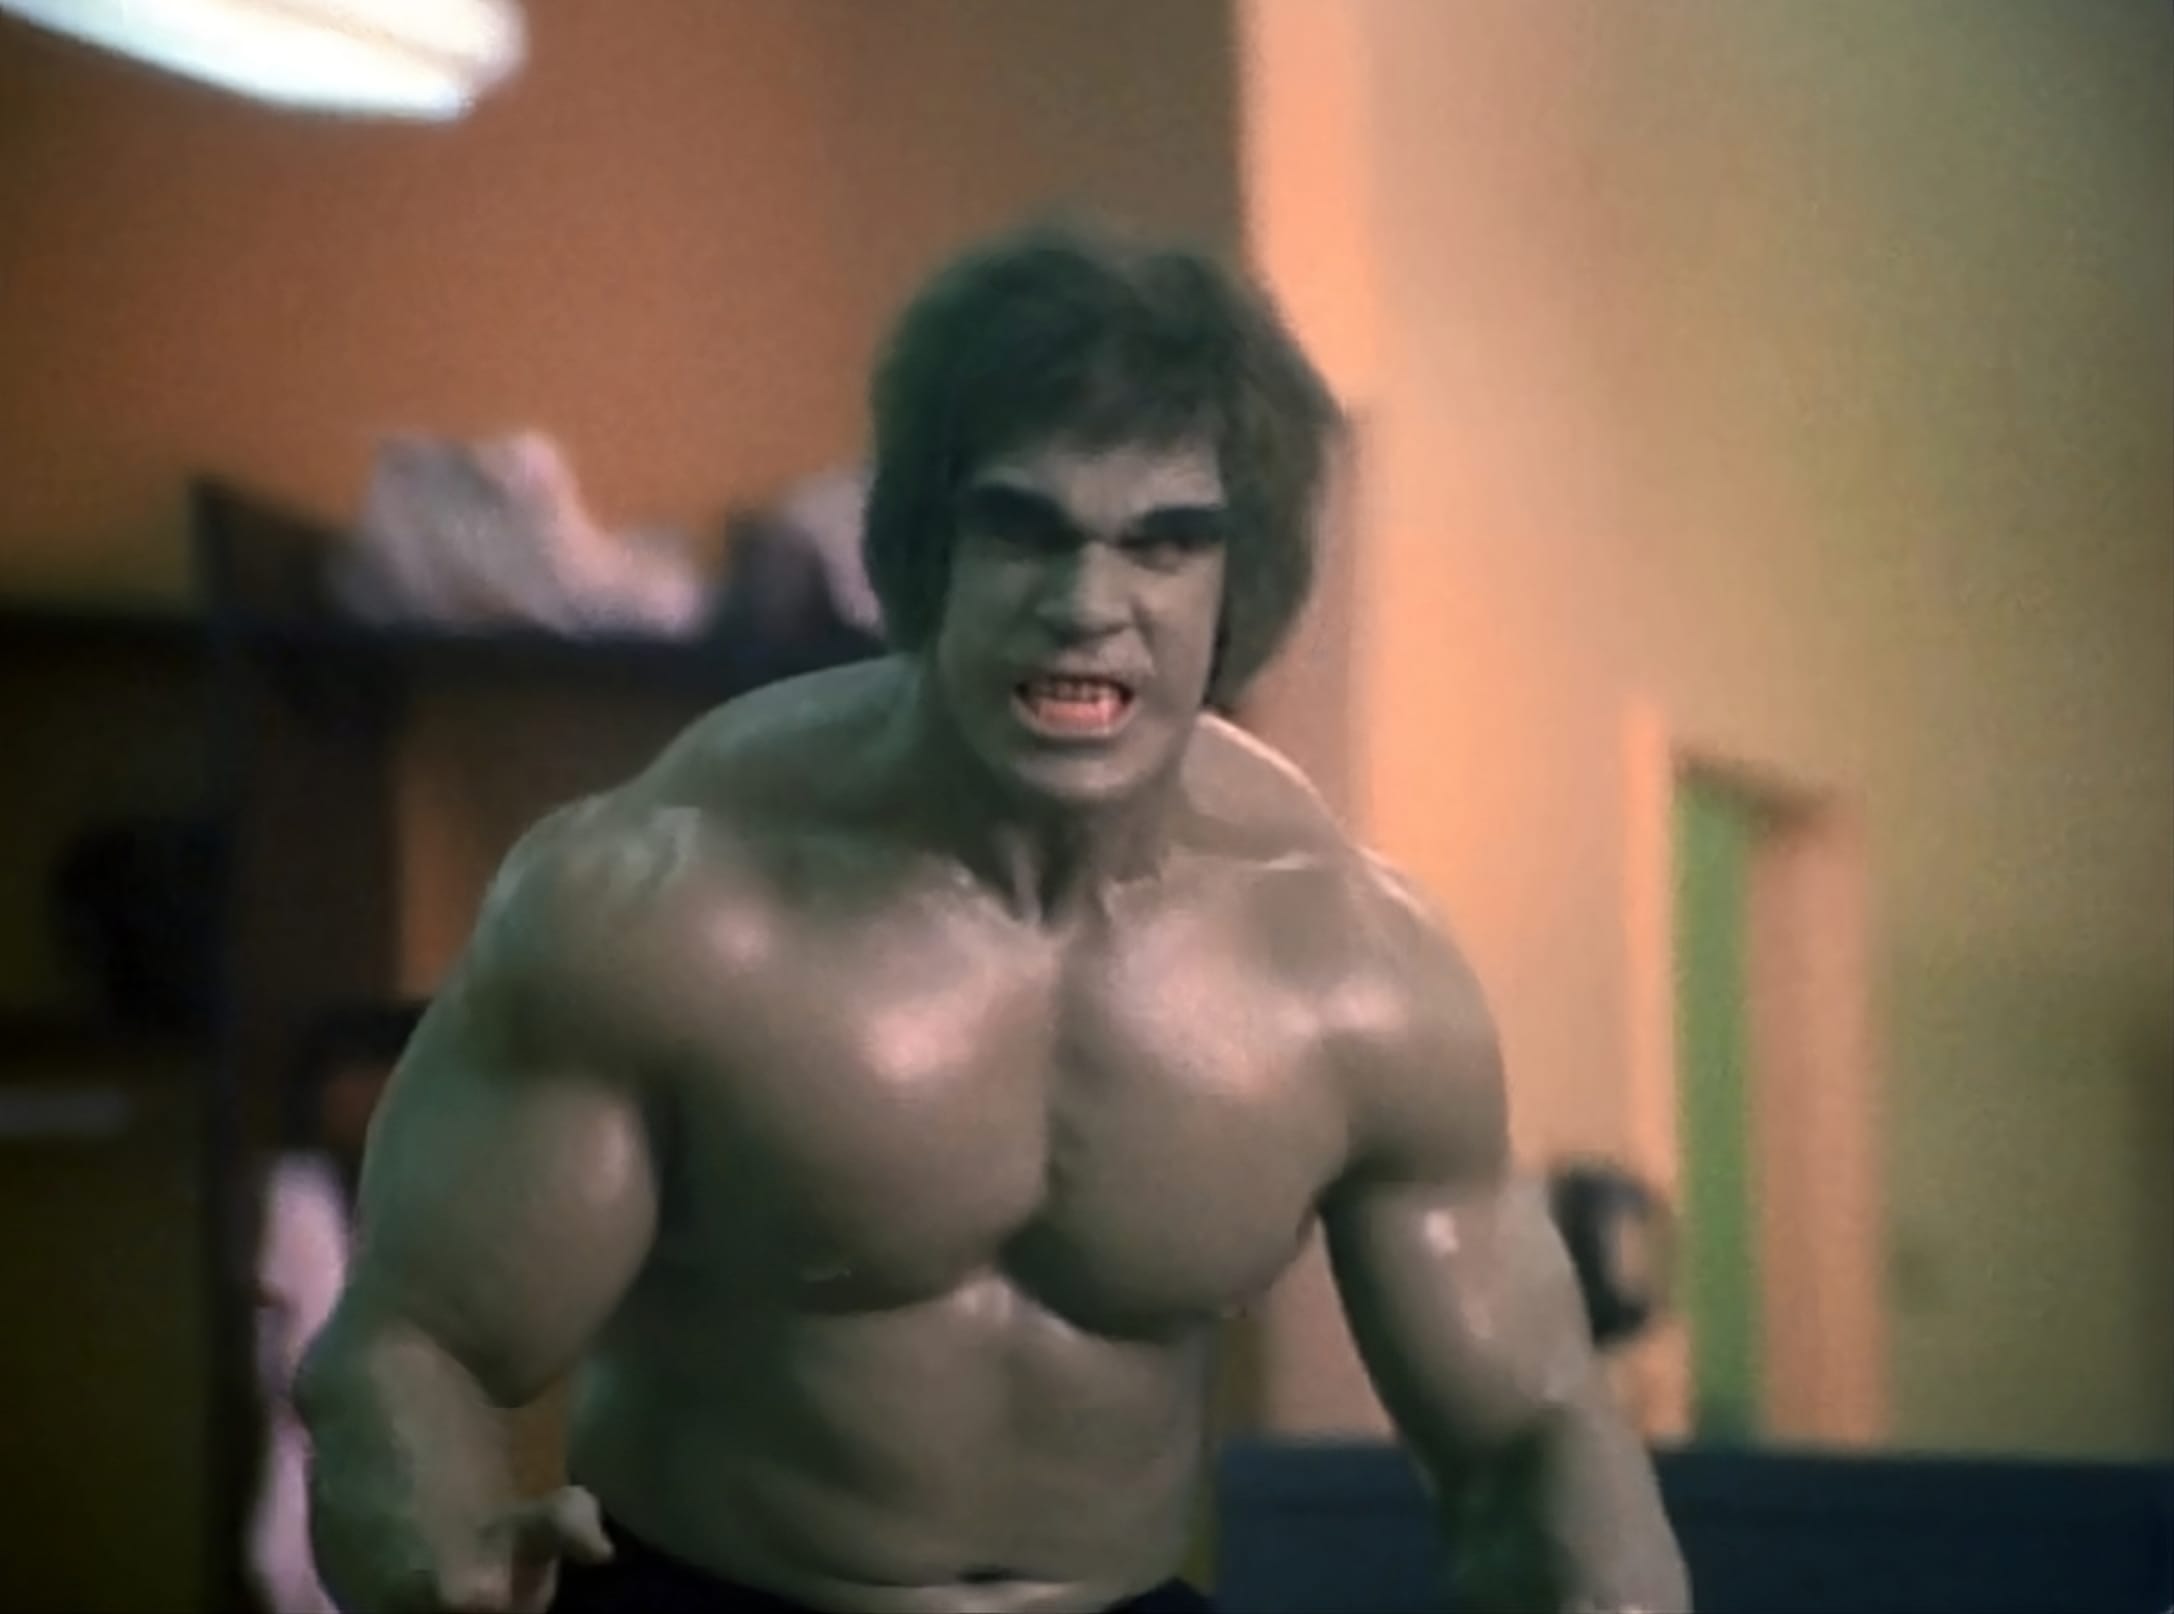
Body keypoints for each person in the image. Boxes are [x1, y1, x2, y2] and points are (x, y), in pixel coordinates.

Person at [297, 223, 1691, 1614]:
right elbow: (413, 1342)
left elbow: (1529, 1430)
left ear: (1238, 585)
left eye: (1161, 545)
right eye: (1025, 530)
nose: (1086, 605)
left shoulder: (1352, 976)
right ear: (927, 553)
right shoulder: (668, 905)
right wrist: (433, 1548)